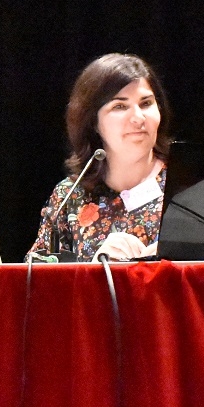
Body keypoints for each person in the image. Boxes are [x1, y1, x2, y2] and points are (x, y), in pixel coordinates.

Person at [28, 53, 172, 262]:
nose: (138, 118)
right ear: (93, 122)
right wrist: (95, 271)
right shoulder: (69, 196)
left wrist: (177, 263)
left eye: (146, 103)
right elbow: (35, 277)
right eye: (120, 106)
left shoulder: (188, 187)